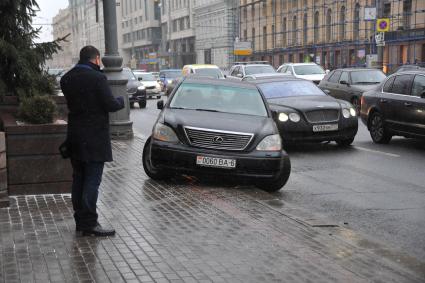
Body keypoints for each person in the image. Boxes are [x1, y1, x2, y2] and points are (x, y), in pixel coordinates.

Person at [60, 46, 124, 236]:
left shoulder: (67, 78)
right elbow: (110, 105)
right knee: (92, 181)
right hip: (94, 137)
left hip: (75, 136)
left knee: (78, 178)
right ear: (96, 59)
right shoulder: (97, 78)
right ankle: (90, 223)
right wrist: (121, 100)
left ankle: (80, 221)